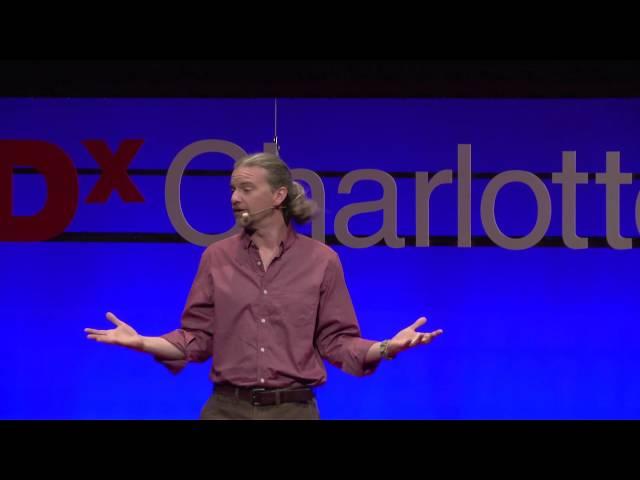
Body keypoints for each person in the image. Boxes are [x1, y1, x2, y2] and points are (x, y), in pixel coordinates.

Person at [85, 152, 443, 420]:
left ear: (278, 196)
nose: (234, 198)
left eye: (246, 188)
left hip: (293, 411)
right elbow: (196, 338)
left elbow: (337, 342)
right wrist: (143, 342)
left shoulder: (321, 261)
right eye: (232, 189)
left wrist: (385, 348)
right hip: (226, 409)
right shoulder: (217, 257)